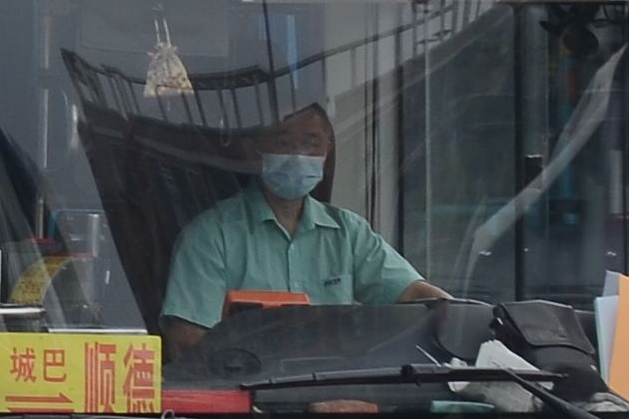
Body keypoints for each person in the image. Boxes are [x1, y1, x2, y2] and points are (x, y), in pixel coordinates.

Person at [157, 102, 447, 353]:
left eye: (310, 143)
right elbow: (187, 341)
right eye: (283, 143)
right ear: (256, 151)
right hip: (247, 408)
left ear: (327, 151)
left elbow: (412, 295)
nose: (298, 154)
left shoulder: (347, 232)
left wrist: (457, 317)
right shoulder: (211, 235)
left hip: (340, 398)